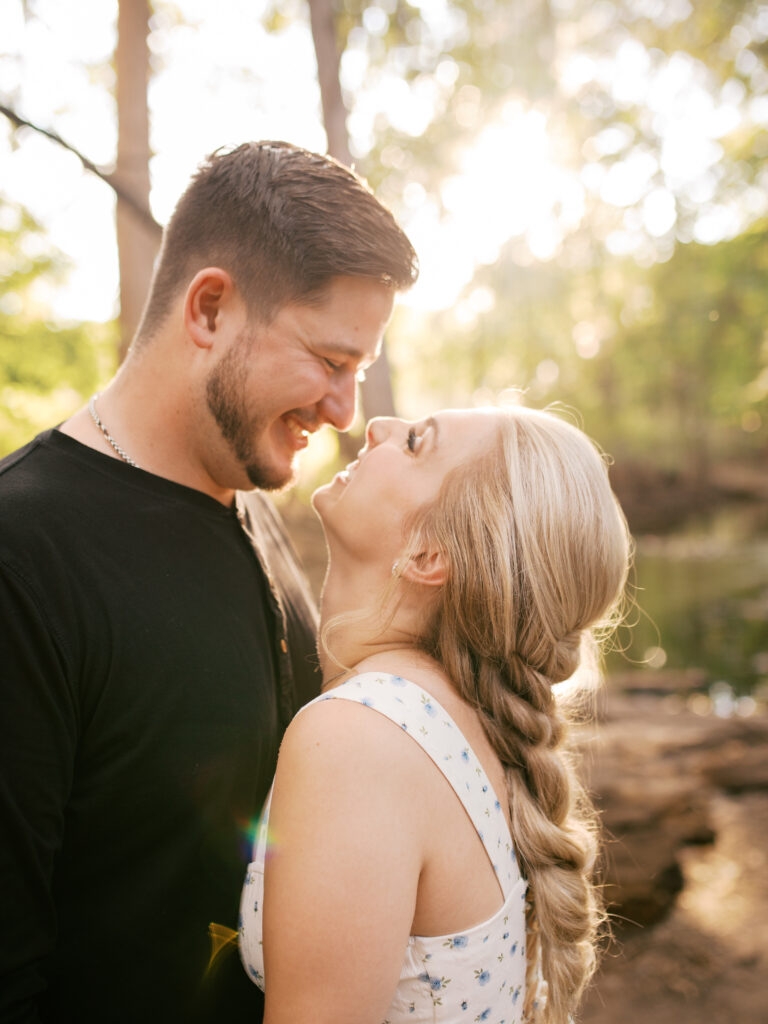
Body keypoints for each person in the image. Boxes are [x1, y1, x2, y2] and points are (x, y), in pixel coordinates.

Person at [0, 140, 417, 1023]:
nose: (347, 411)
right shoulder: (21, 554)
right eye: (331, 362)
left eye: (361, 373)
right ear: (211, 308)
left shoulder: (247, 498)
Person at [239, 403, 631, 1024]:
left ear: (428, 555)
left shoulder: (360, 740)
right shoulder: (467, 721)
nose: (378, 428)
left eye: (417, 441)